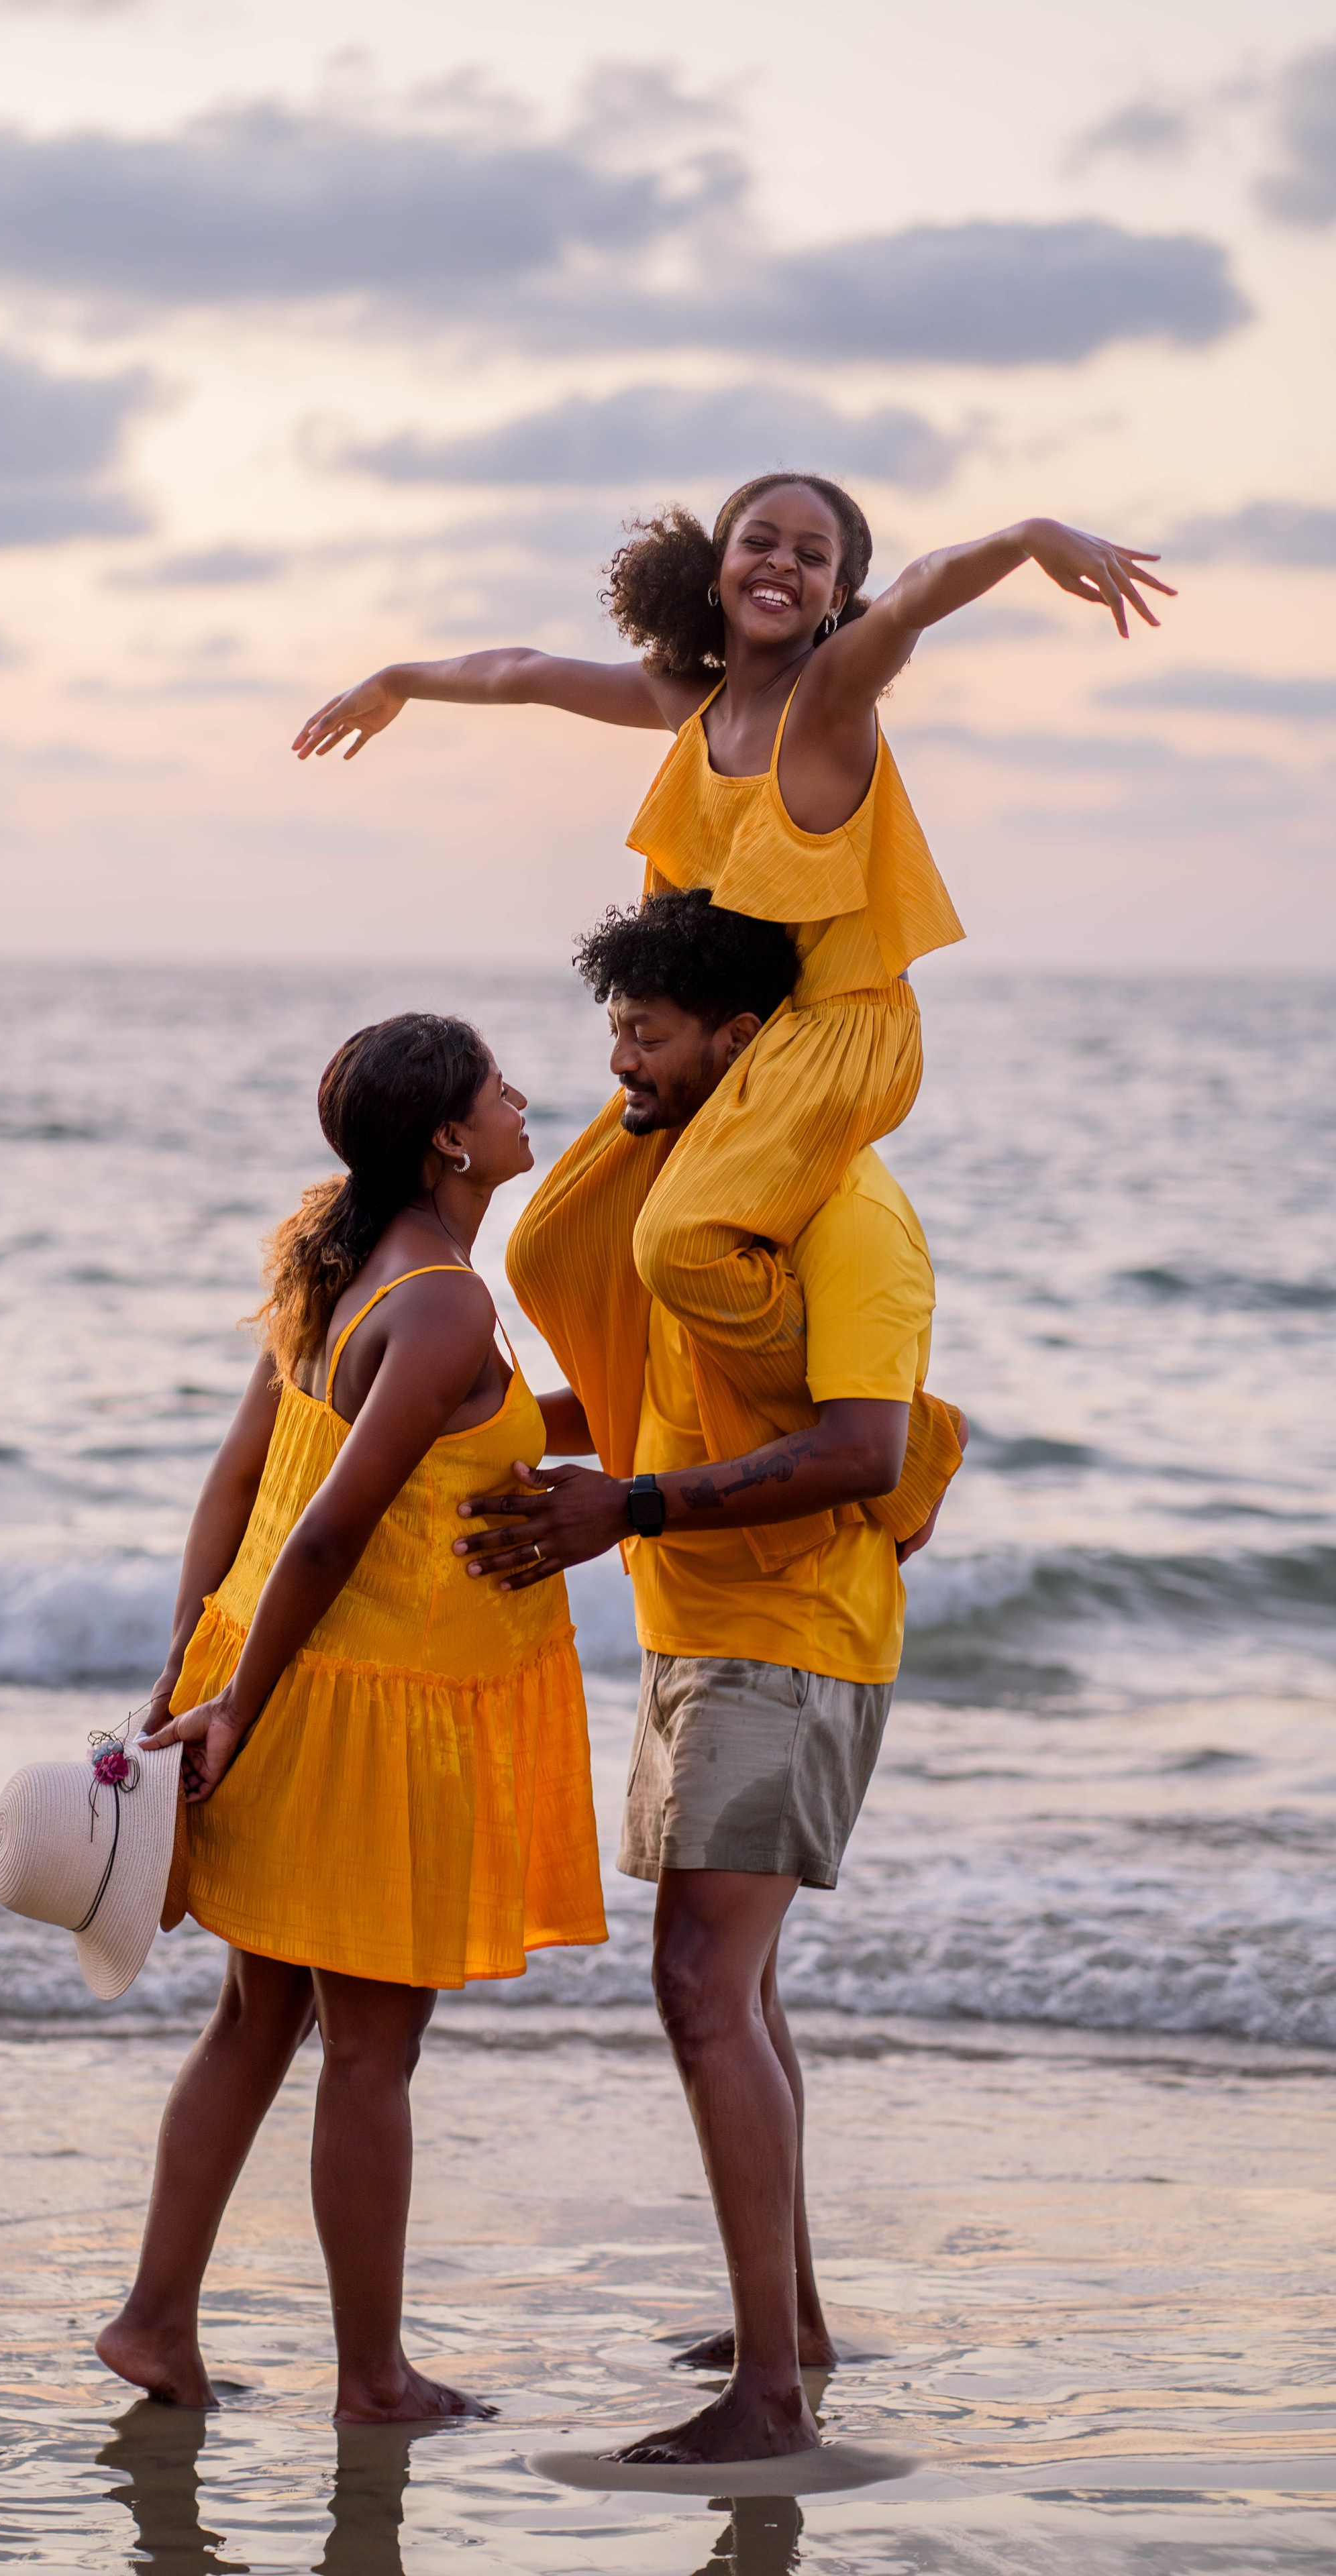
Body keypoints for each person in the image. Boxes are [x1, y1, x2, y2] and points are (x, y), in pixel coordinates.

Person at [293, 475, 1169, 1508]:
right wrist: (399, 678)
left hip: (842, 1032)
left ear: (840, 595)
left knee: (677, 1244)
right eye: (761, 541)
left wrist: (1027, 537)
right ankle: (648, 1439)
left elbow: (924, 591)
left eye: (814, 555)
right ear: (715, 568)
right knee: (552, 1243)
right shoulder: (687, 701)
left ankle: (895, 1438)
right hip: (740, 1044)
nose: (783, 565)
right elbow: (523, 671)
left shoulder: (833, 693)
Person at [452, 888, 964, 2467]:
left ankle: (769, 2399)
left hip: (791, 1631)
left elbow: (857, 1447)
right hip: (703, 1624)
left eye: (649, 1035)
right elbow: (665, 1410)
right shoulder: (700, 1191)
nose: (620, 1063)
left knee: (695, 1987)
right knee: (733, 1987)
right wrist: (445, 1417)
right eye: (611, 1030)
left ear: (741, 1044)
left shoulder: (842, 1209)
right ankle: (788, 2324)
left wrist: (629, 1510)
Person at [97, 1014, 606, 2422]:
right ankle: (372, 2381)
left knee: (254, 2028)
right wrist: (231, 1714)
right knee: (370, 2053)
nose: (520, 1100)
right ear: (449, 1138)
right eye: (496, 1086)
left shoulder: (341, 1269)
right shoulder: (438, 1300)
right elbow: (322, 1536)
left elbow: (235, 1487)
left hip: (267, 1685)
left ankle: (156, 2321)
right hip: (348, 1715)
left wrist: (188, 1673)